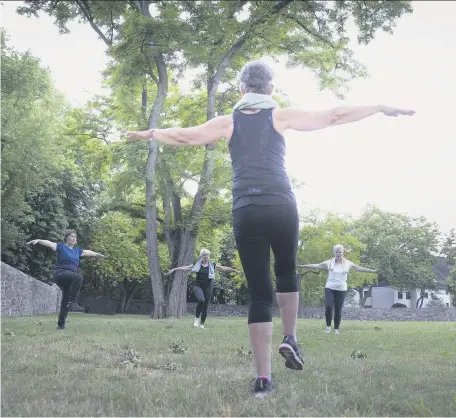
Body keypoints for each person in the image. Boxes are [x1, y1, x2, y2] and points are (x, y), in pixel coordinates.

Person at [125, 60, 415, 397]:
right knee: (287, 271)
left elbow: (184, 136)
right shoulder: (279, 115)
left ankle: (263, 379)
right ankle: (290, 337)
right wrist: (379, 107)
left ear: (241, 90)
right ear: (271, 90)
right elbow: (334, 115)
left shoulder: (227, 122)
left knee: (260, 292)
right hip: (281, 205)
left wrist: (149, 134)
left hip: (246, 208)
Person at [27, 230, 105, 330]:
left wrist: (98, 254)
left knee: (65, 301)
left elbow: (88, 252)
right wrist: (38, 240)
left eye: (75, 237)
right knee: (79, 277)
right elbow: (49, 243)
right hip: (60, 274)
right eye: (71, 236)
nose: (73, 238)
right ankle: (73, 301)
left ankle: (61, 325)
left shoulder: (77, 251)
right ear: (66, 238)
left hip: (69, 278)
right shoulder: (61, 247)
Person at [297, 244, 377, 335]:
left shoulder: (348, 263)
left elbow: (358, 268)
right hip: (330, 287)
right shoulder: (329, 262)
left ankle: (336, 329)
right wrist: (301, 266)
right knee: (329, 306)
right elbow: (316, 265)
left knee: (338, 309)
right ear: (334, 253)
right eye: (336, 252)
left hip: (341, 289)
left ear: (343, 253)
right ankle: (328, 327)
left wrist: (371, 271)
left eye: (340, 252)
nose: (338, 253)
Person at [166, 248, 240, 329]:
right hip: (198, 286)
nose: (206, 256)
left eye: (207, 255)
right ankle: (197, 317)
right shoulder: (197, 264)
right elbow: (186, 268)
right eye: (204, 255)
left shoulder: (212, 265)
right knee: (201, 300)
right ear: (201, 256)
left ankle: (202, 324)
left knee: (205, 306)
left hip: (208, 286)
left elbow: (224, 268)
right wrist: (175, 269)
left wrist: (234, 270)